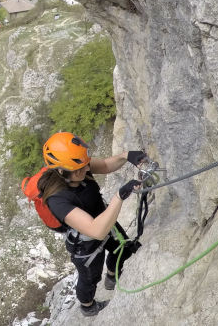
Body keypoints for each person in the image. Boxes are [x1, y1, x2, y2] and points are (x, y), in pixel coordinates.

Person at [38, 132, 146, 316]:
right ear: (61, 171)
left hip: (105, 221)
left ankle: (112, 277)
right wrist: (119, 196)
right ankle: (87, 306)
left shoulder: (78, 165)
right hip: (86, 243)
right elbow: (96, 230)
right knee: (90, 278)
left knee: (123, 248)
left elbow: (104, 165)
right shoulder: (57, 200)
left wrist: (126, 156)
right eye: (79, 169)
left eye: (84, 165)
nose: (86, 170)